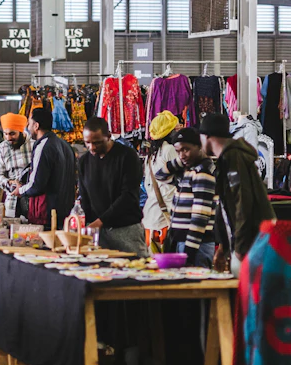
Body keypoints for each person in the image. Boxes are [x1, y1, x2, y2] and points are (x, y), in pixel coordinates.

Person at [200, 113, 276, 269]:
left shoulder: (233, 157)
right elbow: (228, 205)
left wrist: (240, 246)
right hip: (251, 240)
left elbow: (243, 201)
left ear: (207, 136)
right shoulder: (230, 157)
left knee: (248, 291)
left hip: (252, 243)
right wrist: (224, 246)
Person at [79, 117, 147, 253]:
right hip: (96, 231)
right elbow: (85, 197)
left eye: (97, 143)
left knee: (135, 268)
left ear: (109, 136)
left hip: (125, 229)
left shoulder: (128, 156)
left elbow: (128, 196)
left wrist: (101, 221)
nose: (92, 147)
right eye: (87, 143)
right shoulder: (84, 161)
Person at [154, 127, 218, 268]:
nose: (182, 155)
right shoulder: (187, 172)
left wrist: (189, 253)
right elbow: (160, 176)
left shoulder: (203, 174)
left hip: (196, 246)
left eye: (186, 149)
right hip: (184, 242)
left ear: (199, 147)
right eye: (178, 151)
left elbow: (200, 217)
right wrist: (180, 161)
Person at [13, 107, 76, 228]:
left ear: (36, 126)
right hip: (64, 211)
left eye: (30, 123)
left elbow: (36, 184)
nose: (28, 127)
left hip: (46, 214)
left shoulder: (43, 146)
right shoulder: (64, 145)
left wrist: (20, 191)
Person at [0, 112, 32, 205]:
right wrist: (10, 183)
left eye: (12, 134)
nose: (8, 138)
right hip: (12, 201)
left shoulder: (34, 145)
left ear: (21, 131)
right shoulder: (2, 148)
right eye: (5, 134)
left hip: (33, 202)